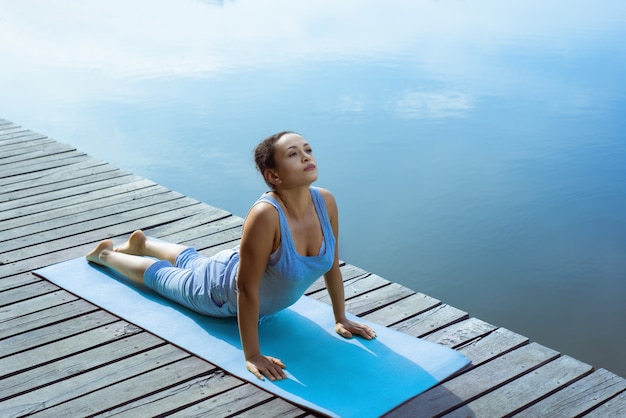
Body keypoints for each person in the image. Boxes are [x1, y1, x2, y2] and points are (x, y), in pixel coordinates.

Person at [86, 131, 376, 381]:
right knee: (161, 277)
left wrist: (341, 317)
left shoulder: (325, 201)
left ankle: (144, 242)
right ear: (273, 175)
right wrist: (252, 354)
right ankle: (108, 256)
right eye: (293, 154)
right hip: (218, 293)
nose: (305, 156)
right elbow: (246, 290)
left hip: (231, 265)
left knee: (196, 263)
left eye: (307, 150)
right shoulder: (266, 215)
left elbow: (331, 265)